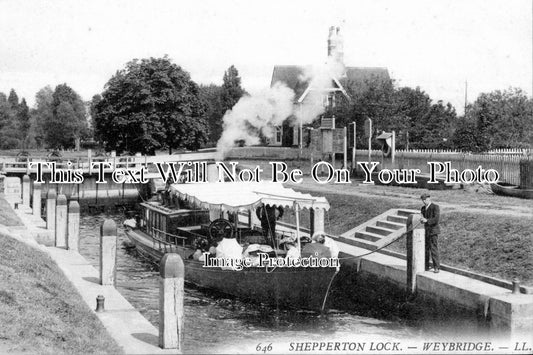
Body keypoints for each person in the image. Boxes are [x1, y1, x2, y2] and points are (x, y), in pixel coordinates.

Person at [420, 193, 441, 273]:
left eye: (425, 200)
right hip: (426, 231)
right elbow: (422, 218)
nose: (424, 201)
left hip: (433, 231)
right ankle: (426, 266)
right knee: (426, 249)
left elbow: (436, 219)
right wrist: (421, 219)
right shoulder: (422, 208)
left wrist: (427, 220)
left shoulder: (435, 207)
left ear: (429, 199)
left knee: (433, 249)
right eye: (423, 200)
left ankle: (436, 267)